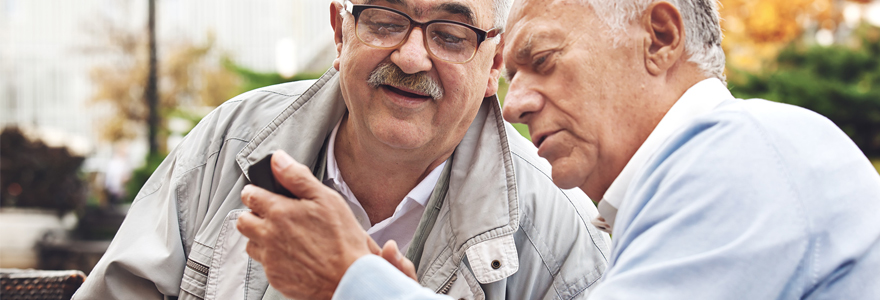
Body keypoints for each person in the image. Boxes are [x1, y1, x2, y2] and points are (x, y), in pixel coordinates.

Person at [240, 0, 880, 298]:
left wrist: (354, 281)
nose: (514, 103)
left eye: (542, 60)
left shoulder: (738, 155)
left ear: (659, 37)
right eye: (513, 74)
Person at [73, 0, 611, 299]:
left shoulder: (556, 234)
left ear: (494, 63)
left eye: (451, 34)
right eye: (385, 19)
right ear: (340, 30)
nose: (410, 56)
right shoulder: (230, 143)